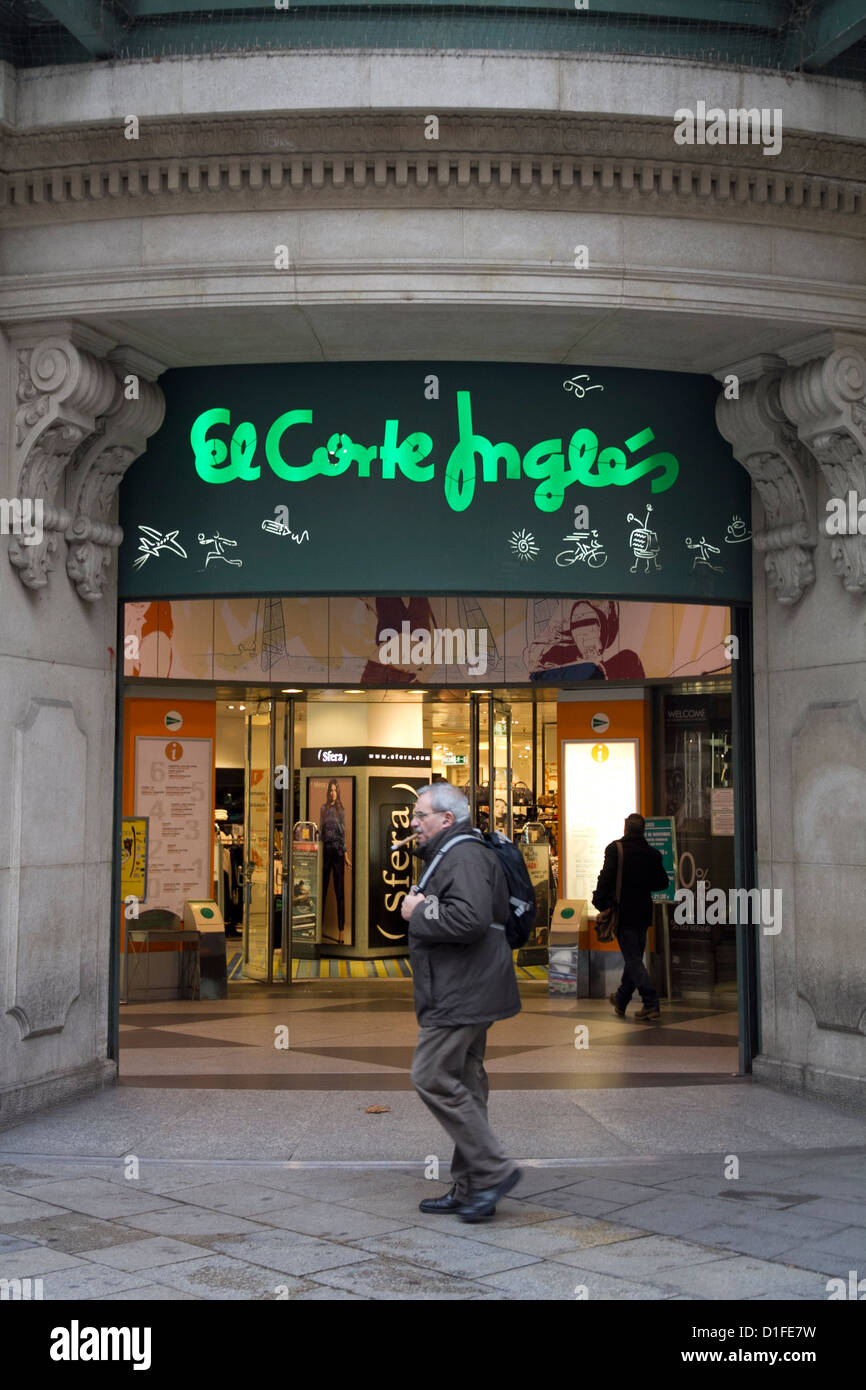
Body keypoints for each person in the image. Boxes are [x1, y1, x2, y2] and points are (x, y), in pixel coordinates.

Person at [400, 783, 522, 1222]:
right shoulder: (453, 853)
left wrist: (419, 912)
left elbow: (469, 919)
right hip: (467, 987)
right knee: (467, 1081)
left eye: (420, 815)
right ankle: (472, 1187)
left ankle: (493, 1170)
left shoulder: (465, 856)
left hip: (461, 991)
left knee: (430, 1074)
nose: (413, 823)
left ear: (447, 820)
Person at [593, 812, 669, 1021]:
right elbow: (662, 883)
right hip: (643, 912)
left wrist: (600, 902)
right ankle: (621, 999)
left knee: (633, 958)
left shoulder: (616, 849)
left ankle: (651, 1002)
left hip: (623, 912)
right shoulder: (652, 854)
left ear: (626, 828)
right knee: (633, 956)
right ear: (643, 830)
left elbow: (605, 877)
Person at [319, 779, 351, 944]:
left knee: (340, 893)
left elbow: (343, 834)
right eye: (330, 790)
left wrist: (345, 854)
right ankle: (319, 929)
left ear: (338, 792)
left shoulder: (341, 810)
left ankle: (340, 931)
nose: (332, 793)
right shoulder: (323, 809)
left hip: (338, 852)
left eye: (334, 790)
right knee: (322, 891)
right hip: (325, 852)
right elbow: (321, 832)